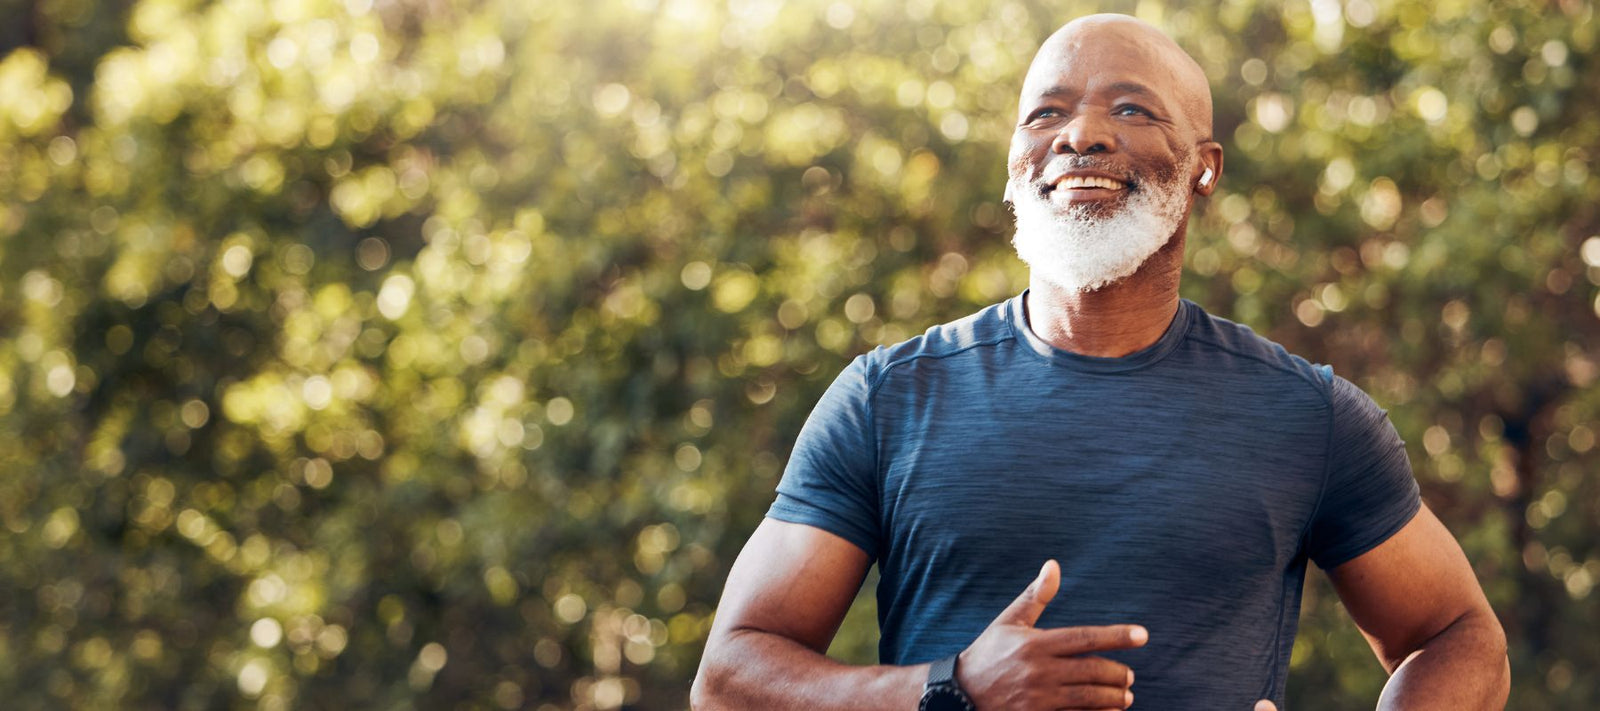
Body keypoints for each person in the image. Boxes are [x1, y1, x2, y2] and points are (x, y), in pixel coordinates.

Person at [692, 13, 1509, 710]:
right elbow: (729, 677)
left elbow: (1460, 634)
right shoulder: (887, 398)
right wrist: (951, 687)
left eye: (1131, 108)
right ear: (1014, 162)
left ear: (1205, 167)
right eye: (1046, 113)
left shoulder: (1307, 415)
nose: (1080, 134)